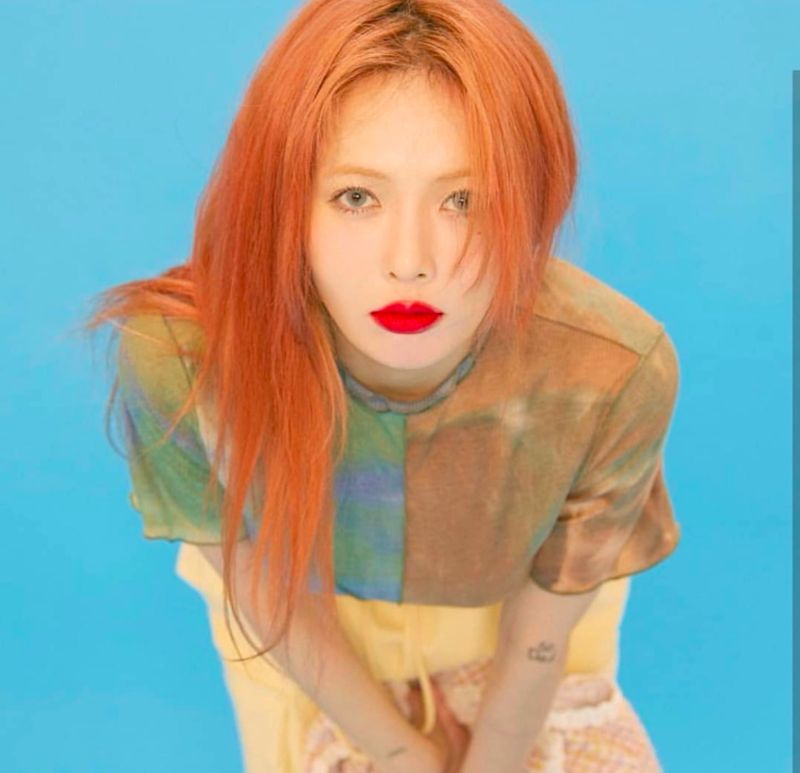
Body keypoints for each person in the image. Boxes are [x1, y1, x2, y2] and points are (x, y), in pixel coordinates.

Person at [85, 1, 682, 771]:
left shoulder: (610, 372)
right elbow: (263, 589)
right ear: (285, 202)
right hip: (300, 635)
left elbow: (545, 628)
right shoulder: (182, 360)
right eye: (357, 197)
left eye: (464, 200)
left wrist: (495, 756)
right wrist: (401, 751)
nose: (410, 261)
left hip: (526, 630)